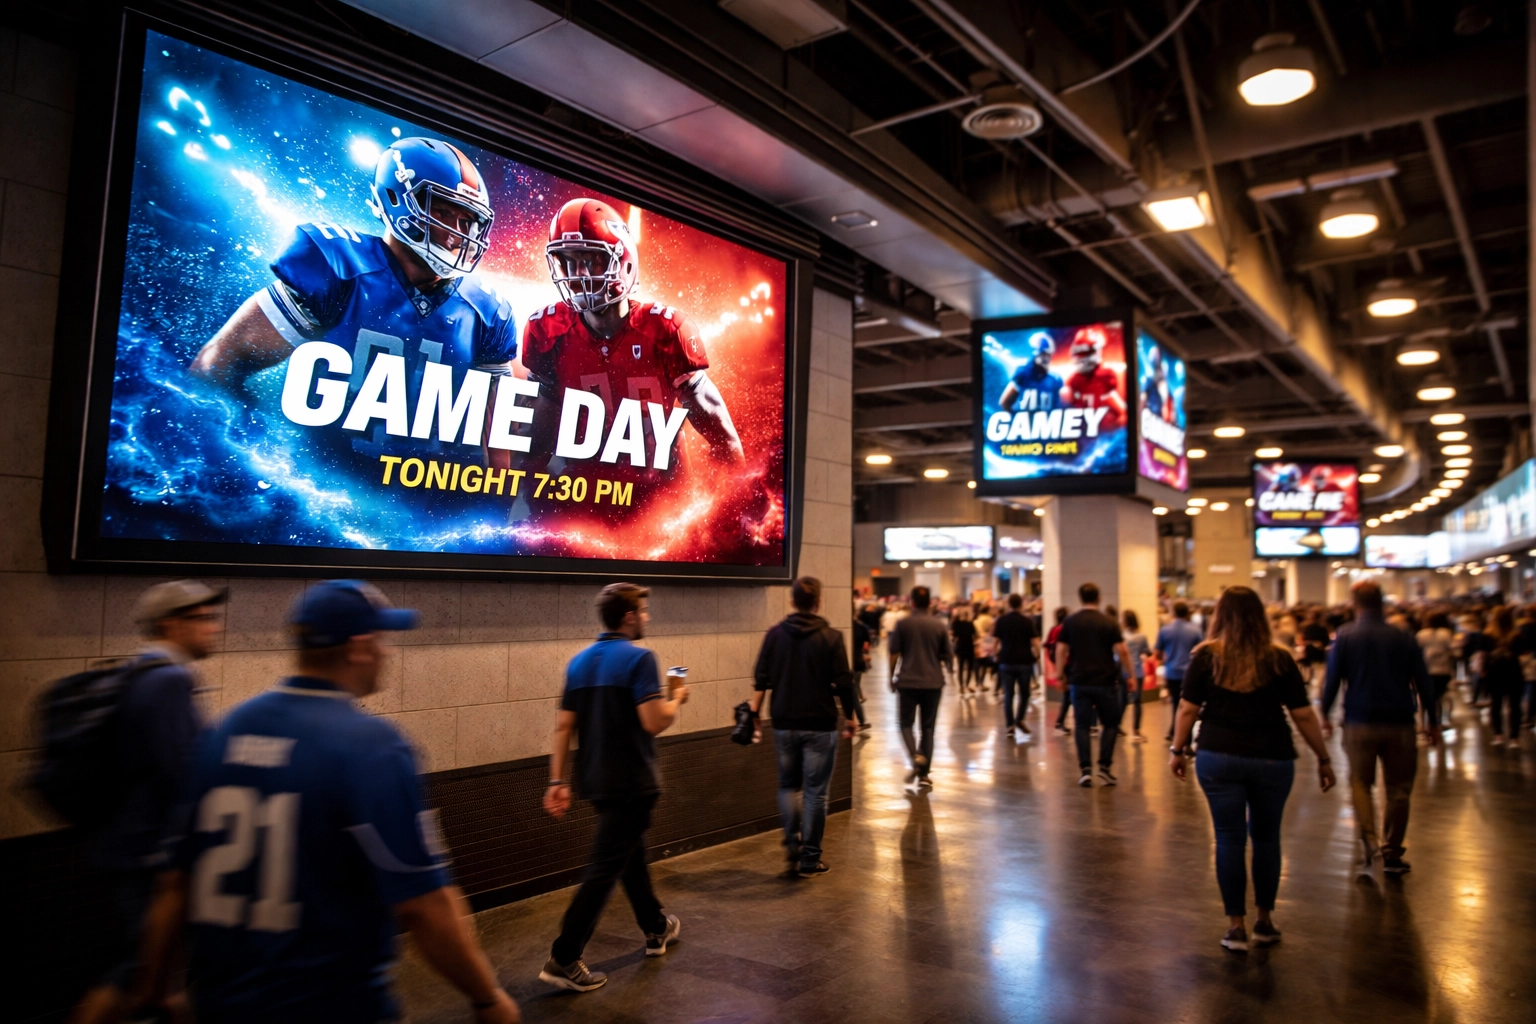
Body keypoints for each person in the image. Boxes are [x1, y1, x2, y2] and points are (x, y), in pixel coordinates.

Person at [139, 581, 519, 1023]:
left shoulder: (224, 730)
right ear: (358, 648)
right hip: (331, 1003)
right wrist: (486, 996)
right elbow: (422, 904)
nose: (387, 653)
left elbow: (175, 882)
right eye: (381, 640)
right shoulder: (371, 745)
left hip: (220, 1003)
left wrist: (155, 990)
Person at [70, 581, 226, 1024]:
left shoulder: (141, 670)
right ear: (168, 624)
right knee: (141, 969)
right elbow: (183, 770)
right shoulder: (169, 679)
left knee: (156, 971)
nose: (214, 628)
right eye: (203, 619)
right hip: (152, 853)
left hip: (129, 843)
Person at [1169, 586, 1335, 953]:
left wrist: (1177, 749)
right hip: (1272, 757)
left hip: (1218, 755)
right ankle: (1264, 922)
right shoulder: (1279, 658)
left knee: (1229, 837)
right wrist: (1323, 757)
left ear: (1220, 616)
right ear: (1260, 616)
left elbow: (1187, 709)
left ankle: (1235, 928)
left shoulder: (1206, 657)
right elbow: (1303, 713)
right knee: (1266, 837)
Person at [541, 583, 689, 992]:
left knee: (629, 857)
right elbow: (654, 722)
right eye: (643, 611)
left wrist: (557, 781)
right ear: (628, 617)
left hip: (597, 782)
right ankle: (564, 957)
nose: (647, 617)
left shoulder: (579, 663)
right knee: (605, 868)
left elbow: (563, 726)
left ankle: (656, 927)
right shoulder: (640, 659)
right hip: (633, 782)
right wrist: (678, 699)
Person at [1322, 580, 1437, 877]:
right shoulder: (1403, 636)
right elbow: (1423, 682)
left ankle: (1368, 844)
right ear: (1383, 602)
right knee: (1399, 789)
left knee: (1361, 783)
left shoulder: (1346, 636)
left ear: (1355, 603)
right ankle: (1393, 852)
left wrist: (1323, 712)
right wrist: (1432, 721)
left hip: (1359, 721)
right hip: (1400, 722)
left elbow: (1333, 680)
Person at [750, 577, 859, 877]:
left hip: (784, 722)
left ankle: (790, 838)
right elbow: (845, 683)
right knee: (815, 793)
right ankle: (810, 859)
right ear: (819, 602)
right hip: (820, 724)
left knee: (788, 785)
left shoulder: (774, 635)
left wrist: (755, 711)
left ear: (792, 601)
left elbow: (761, 678)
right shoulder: (831, 637)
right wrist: (850, 717)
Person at [1056, 583, 1130, 787]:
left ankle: (1085, 770)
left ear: (1080, 598)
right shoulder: (1109, 622)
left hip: (1079, 681)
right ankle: (1104, 767)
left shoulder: (1070, 622)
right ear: (1098, 597)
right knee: (1111, 724)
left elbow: (1061, 650)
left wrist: (1060, 674)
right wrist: (1130, 674)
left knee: (1081, 725)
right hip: (1105, 681)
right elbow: (1122, 651)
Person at [888, 586, 953, 789]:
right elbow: (948, 655)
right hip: (933, 683)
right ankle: (924, 775)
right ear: (930, 603)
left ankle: (916, 756)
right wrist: (948, 669)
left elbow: (894, 654)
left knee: (905, 724)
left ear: (912, 602)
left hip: (907, 681)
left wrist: (891, 677)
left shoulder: (903, 624)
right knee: (928, 728)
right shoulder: (939, 625)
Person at [993, 593, 1040, 738]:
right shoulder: (1027, 621)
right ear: (1021, 605)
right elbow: (1035, 642)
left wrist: (996, 654)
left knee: (1009, 694)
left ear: (1008, 605)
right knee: (1025, 693)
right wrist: (1037, 655)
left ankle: (1010, 725)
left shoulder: (1002, 620)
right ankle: (1020, 719)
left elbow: (996, 641)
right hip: (1024, 662)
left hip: (1006, 661)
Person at [1156, 601, 1203, 741]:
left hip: (1172, 672)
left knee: (1176, 702)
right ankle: (1183, 736)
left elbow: (1157, 653)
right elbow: (1200, 652)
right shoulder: (1196, 630)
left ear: (1173, 612)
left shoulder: (1165, 630)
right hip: (1190, 673)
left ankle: (1178, 734)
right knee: (1189, 703)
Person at [1483, 605, 1524, 748]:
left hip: (1494, 673)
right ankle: (1514, 738)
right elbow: (1522, 653)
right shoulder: (1516, 635)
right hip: (1513, 672)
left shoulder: (1488, 635)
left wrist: (1483, 671)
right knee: (1515, 706)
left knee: (1496, 705)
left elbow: (1483, 655)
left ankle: (1498, 735)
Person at [1416, 612, 1455, 731]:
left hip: (1426, 670)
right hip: (1443, 670)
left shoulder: (1421, 634)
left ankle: (1423, 723)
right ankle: (1437, 721)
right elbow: (1453, 650)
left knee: (1425, 698)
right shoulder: (1446, 634)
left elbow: (1417, 652)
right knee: (1439, 697)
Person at [1121, 609, 1150, 742]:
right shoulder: (1141, 637)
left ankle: (1116, 726)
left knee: (1122, 700)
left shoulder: (1121, 636)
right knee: (1137, 702)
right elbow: (1148, 652)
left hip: (1123, 671)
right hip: (1137, 671)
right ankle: (1136, 730)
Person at [1044, 607, 1071, 733]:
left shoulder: (1053, 629)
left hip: (1060, 663)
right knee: (1069, 693)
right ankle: (1060, 722)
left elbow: (1047, 645)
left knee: (1068, 693)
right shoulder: (1065, 629)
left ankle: (1060, 721)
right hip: (1068, 664)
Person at [850, 613, 872, 730]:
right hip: (859, 662)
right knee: (854, 689)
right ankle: (861, 720)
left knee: (852, 692)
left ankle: (859, 720)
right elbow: (866, 646)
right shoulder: (862, 627)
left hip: (849, 663)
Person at [950, 607, 978, 696]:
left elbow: (953, 635)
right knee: (970, 667)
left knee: (960, 667)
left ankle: (961, 686)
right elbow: (975, 635)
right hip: (969, 646)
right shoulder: (970, 624)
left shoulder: (956, 623)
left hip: (960, 646)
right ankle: (967, 684)